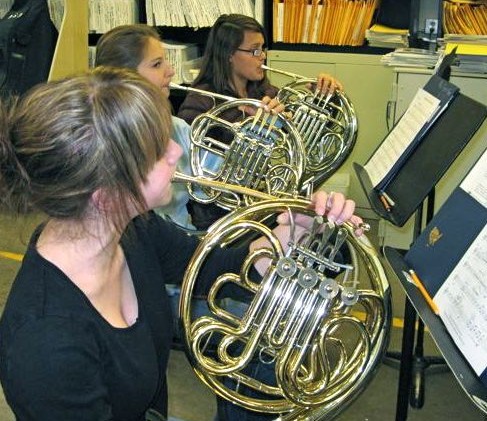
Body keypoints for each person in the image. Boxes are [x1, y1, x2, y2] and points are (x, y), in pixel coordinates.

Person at [0, 66, 361, 420]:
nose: (176, 151)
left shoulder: (133, 230)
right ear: (106, 193)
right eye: (158, 150)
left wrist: (291, 237)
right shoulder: (45, 342)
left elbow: (215, 267)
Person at [177, 13, 344, 230]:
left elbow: (308, 145)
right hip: (224, 217)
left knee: (330, 233)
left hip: (267, 204)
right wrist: (251, 127)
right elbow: (192, 166)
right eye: (255, 50)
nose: (262, 56)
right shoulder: (200, 101)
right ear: (228, 54)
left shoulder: (264, 91)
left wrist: (323, 101)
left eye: (263, 48)